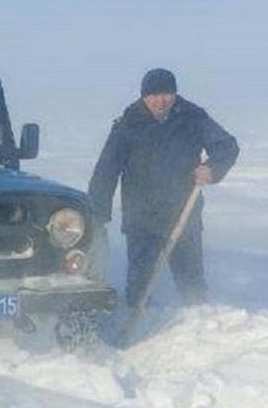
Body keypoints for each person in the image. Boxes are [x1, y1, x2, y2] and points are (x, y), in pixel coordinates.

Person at [88, 68, 239, 307]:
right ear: (143, 97)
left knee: (191, 279)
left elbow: (227, 146)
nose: (161, 101)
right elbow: (106, 170)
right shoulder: (129, 123)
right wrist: (97, 213)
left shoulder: (193, 117)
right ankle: (137, 322)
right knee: (140, 282)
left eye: (167, 94)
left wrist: (212, 168)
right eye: (154, 95)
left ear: (175, 94)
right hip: (142, 217)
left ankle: (198, 322)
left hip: (183, 213)